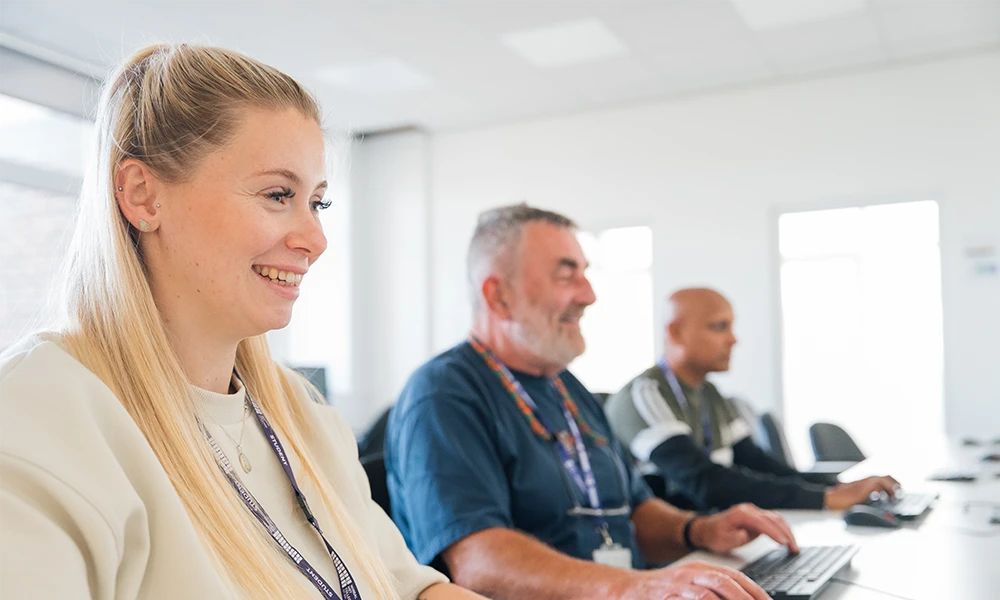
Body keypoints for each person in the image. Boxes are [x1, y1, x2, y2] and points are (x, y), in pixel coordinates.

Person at [0, 44, 484, 600]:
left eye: (316, 202)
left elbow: (408, 587)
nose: (316, 240)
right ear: (142, 195)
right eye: (278, 194)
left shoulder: (301, 414)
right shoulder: (35, 419)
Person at [386, 204, 798, 600]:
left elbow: (633, 510)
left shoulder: (567, 386)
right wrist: (634, 588)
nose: (589, 295)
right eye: (567, 277)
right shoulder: (444, 394)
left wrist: (699, 530)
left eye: (585, 274)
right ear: (499, 296)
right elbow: (479, 564)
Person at [604, 288, 900, 511]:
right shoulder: (646, 394)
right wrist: (824, 499)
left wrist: (836, 486)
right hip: (675, 555)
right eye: (719, 327)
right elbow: (705, 482)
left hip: (719, 536)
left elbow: (758, 463)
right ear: (676, 332)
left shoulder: (710, 394)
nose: (734, 339)